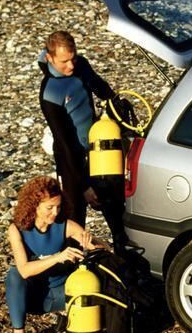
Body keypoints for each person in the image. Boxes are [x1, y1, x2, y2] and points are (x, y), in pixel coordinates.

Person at [38, 30, 127, 247]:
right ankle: (73, 267)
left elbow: (102, 89)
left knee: (116, 212)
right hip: (71, 161)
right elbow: (64, 143)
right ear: (49, 58)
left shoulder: (81, 66)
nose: (71, 66)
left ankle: (126, 258)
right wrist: (84, 185)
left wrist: (118, 109)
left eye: (73, 58)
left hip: (98, 151)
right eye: (64, 62)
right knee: (76, 219)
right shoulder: (50, 93)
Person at [1, 176, 105, 333]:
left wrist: (94, 244)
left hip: (62, 295)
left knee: (93, 276)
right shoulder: (16, 230)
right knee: (14, 275)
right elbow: (24, 270)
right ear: (34, 206)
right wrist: (58, 257)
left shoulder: (65, 226)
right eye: (49, 208)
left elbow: (100, 248)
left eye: (58, 207)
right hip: (33, 298)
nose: (55, 212)